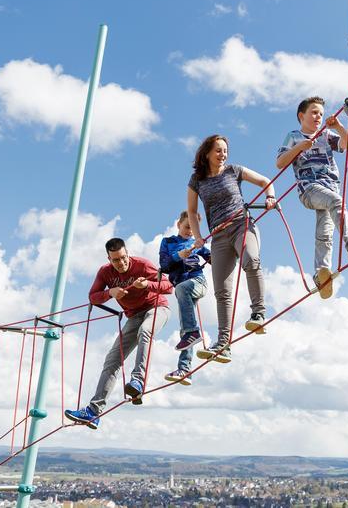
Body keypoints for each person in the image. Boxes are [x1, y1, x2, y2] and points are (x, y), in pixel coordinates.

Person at [64, 238, 171, 430]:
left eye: (123, 258)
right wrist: (109, 293)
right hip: (133, 316)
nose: (121, 263)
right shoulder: (105, 272)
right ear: (109, 259)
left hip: (156, 308)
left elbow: (168, 286)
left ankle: (138, 381)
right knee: (112, 359)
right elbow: (92, 297)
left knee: (145, 331)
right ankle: (94, 412)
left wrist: (146, 284)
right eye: (116, 260)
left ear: (127, 253)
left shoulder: (143, 265)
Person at [186, 134, 276, 364]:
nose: (223, 154)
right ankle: (223, 343)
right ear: (207, 153)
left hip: (241, 225)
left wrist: (270, 197)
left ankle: (258, 312)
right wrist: (197, 238)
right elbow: (192, 213)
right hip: (218, 236)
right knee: (221, 291)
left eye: (225, 150)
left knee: (251, 259)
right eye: (218, 150)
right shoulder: (197, 180)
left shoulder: (234, 171)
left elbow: (266, 181)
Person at [276, 96, 348, 299]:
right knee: (336, 202)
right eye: (314, 112)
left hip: (330, 186)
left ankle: (321, 273)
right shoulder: (293, 136)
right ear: (302, 116)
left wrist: (339, 125)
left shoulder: (326, 134)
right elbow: (280, 163)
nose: (318, 116)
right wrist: (300, 148)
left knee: (325, 234)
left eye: (321, 114)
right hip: (309, 188)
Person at [159, 211, 211, 386]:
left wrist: (218, 252)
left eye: (194, 228)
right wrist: (178, 256)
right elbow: (164, 266)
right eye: (187, 226)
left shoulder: (197, 243)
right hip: (182, 289)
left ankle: (193, 333)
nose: (190, 231)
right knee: (185, 329)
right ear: (178, 224)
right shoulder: (168, 242)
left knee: (189, 329)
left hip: (197, 282)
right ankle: (185, 369)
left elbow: (213, 258)